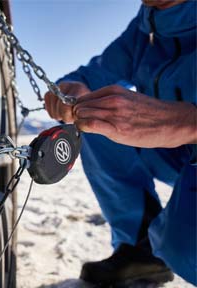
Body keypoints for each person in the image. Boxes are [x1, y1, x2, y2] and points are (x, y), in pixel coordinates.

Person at [44, 0, 197, 286]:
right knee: (96, 126)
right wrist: (71, 88)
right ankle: (141, 251)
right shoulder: (147, 29)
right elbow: (93, 73)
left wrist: (188, 122)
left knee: (189, 251)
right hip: (174, 153)